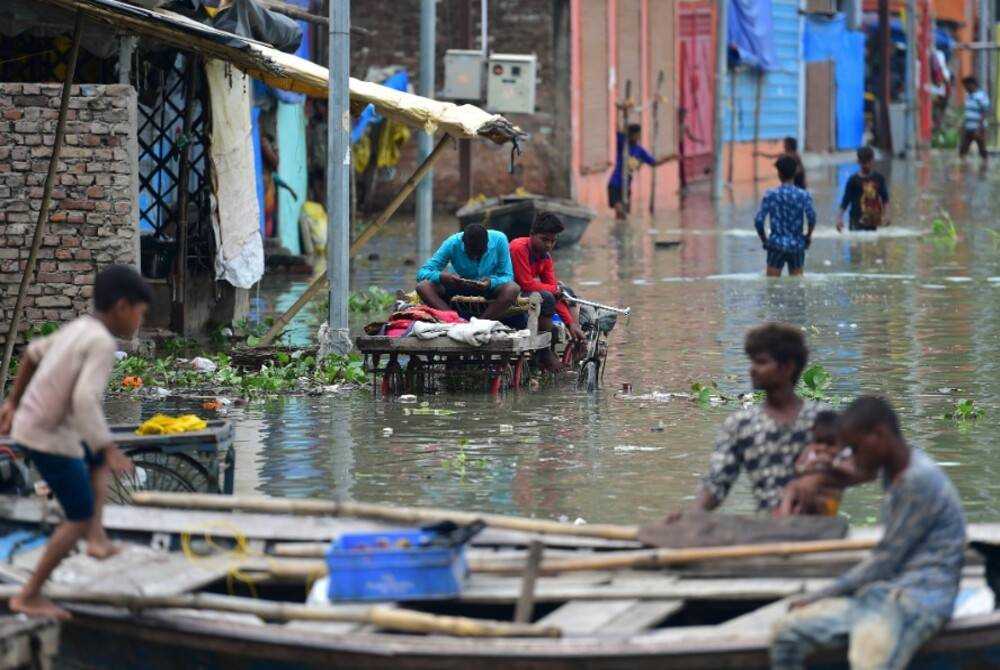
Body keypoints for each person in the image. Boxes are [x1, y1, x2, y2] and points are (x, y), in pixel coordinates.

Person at [771, 396, 966, 670]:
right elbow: (853, 474)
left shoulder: (916, 481)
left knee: (869, 662)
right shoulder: (896, 467)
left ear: (879, 435)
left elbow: (884, 560)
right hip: (884, 594)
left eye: (855, 448)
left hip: (921, 599)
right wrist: (811, 480)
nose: (851, 455)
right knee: (787, 635)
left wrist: (822, 594)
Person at [0, 265, 149, 620]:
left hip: (39, 423)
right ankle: (29, 595)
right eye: (141, 313)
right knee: (78, 515)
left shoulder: (80, 327)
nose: (140, 321)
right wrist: (108, 446)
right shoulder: (101, 343)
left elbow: (33, 353)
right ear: (123, 307)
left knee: (94, 459)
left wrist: (12, 403)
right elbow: (84, 401)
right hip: (47, 436)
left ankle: (97, 542)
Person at [681, 324, 828, 515]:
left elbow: (846, 469)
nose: (752, 370)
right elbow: (717, 483)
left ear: (787, 367)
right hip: (768, 524)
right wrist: (693, 513)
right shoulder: (741, 424)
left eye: (761, 362)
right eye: (752, 362)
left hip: (818, 524)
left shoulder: (821, 418)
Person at [508, 213, 585, 371]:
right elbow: (526, 283)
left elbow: (556, 294)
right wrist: (556, 289)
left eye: (553, 241)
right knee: (548, 296)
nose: (549, 245)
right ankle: (544, 352)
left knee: (565, 292)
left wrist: (570, 323)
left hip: (529, 296)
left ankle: (576, 334)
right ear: (532, 235)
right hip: (508, 296)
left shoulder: (546, 258)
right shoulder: (518, 248)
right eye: (544, 239)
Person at [416, 223, 520, 321]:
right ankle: (454, 320)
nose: (475, 257)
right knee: (423, 287)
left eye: (479, 254)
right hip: (460, 286)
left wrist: (491, 282)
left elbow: (507, 276)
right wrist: (442, 277)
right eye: (470, 254)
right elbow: (422, 273)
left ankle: (480, 322)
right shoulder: (452, 243)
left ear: (487, 244)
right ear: (463, 243)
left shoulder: (499, 239)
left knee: (513, 289)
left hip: (489, 288)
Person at [776, 410, 856, 517]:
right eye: (819, 442)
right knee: (791, 487)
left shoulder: (843, 454)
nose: (823, 448)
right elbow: (797, 469)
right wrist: (810, 466)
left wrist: (832, 464)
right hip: (803, 496)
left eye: (830, 444)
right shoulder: (810, 450)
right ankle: (783, 517)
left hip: (827, 501)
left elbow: (852, 470)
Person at [754, 155, 817, 277]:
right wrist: (808, 236)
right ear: (795, 172)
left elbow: (759, 221)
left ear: (779, 174)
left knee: (772, 286)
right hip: (797, 245)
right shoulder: (803, 195)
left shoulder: (770, 194)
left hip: (776, 245)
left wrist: (765, 241)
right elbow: (812, 217)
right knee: (797, 287)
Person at [608, 122, 672, 219]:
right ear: (630, 134)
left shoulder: (639, 150)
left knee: (623, 215)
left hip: (626, 186)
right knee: (620, 210)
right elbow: (616, 130)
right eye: (636, 135)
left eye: (639, 135)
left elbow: (653, 163)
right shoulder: (622, 143)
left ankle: (620, 232)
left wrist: (669, 158)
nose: (638, 137)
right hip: (615, 183)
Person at [838, 146, 889, 232]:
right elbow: (845, 201)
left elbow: (885, 199)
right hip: (855, 221)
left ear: (873, 161)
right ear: (858, 162)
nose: (866, 165)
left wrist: (887, 215)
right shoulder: (853, 180)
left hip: (873, 221)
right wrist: (839, 218)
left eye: (868, 162)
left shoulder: (879, 178)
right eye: (863, 163)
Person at [960, 75, 990, 163]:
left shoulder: (981, 96)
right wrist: (963, 125)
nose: (965, 88)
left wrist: (979, 127)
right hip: (969, 128)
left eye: (966, 86)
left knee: (982, 150)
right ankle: (963, 169)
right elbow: (967, 112)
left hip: (978, 128)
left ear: (972, 84)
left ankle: (985, 167)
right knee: (963, 149)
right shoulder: (968, 96)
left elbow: (984, 112)